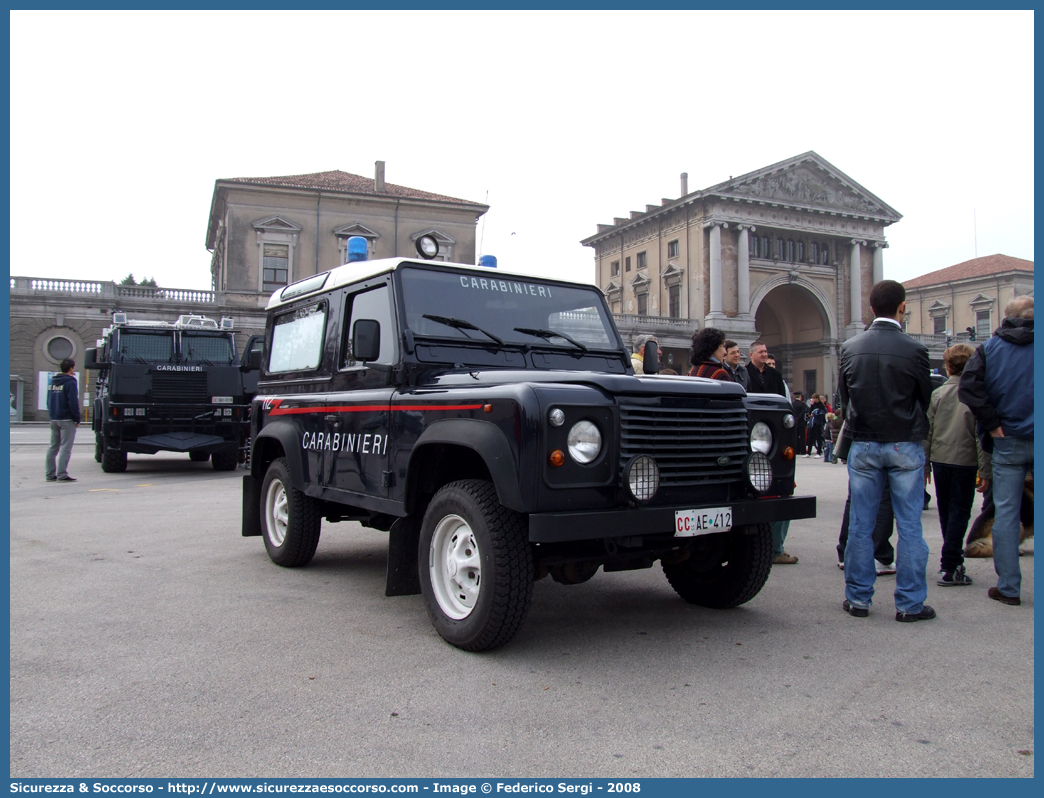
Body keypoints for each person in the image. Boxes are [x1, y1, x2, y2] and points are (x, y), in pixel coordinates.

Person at [838, 280, 934, 622]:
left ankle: (858, 599)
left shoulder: (850, 348)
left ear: (871, 307)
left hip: (863, 442)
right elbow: (926, 397)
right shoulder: (915, 350)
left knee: (861, 524)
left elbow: (844, 399)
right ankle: (909, 604)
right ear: (902, 307)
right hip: (903, 441)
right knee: (909, 525)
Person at [958, 295, 1034, 606]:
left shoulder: (989, 350)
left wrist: (992, 424)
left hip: (1007, 440)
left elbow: (969, 389)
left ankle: (1009, 587)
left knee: (1006, 514)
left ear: (1005, 317)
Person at [925, 344, 991, 588]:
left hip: (940, 459)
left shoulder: (938, 394)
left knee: (945, 512)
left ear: (948, 366)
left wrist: (925, 466)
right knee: (960, 513)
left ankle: (950, 560)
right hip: (965, 461)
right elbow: (979, 436)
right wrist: (985, 471)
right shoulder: (976, 394)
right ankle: (950, 564)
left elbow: (927, 432)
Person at [743, 342, 795, 563]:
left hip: (772, 434)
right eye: (761, 352)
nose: (765, 355)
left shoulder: (776, 376)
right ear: (752, 354)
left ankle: (775, 546)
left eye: (766, 352)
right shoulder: (744, 373)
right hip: (753, 432)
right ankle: (771, 547)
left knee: (779, 488)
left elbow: (785, 404)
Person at [45, 357, 81, 482]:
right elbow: (73, 402)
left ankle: (49, 474)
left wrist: (52, 414)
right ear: (71, 368)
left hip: (54, 418)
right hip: (66, 419)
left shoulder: (52, 381)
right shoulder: (70, 381)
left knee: (53, 447)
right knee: (66, 447)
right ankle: (62, 475)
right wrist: (77, 418)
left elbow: (48, 400)